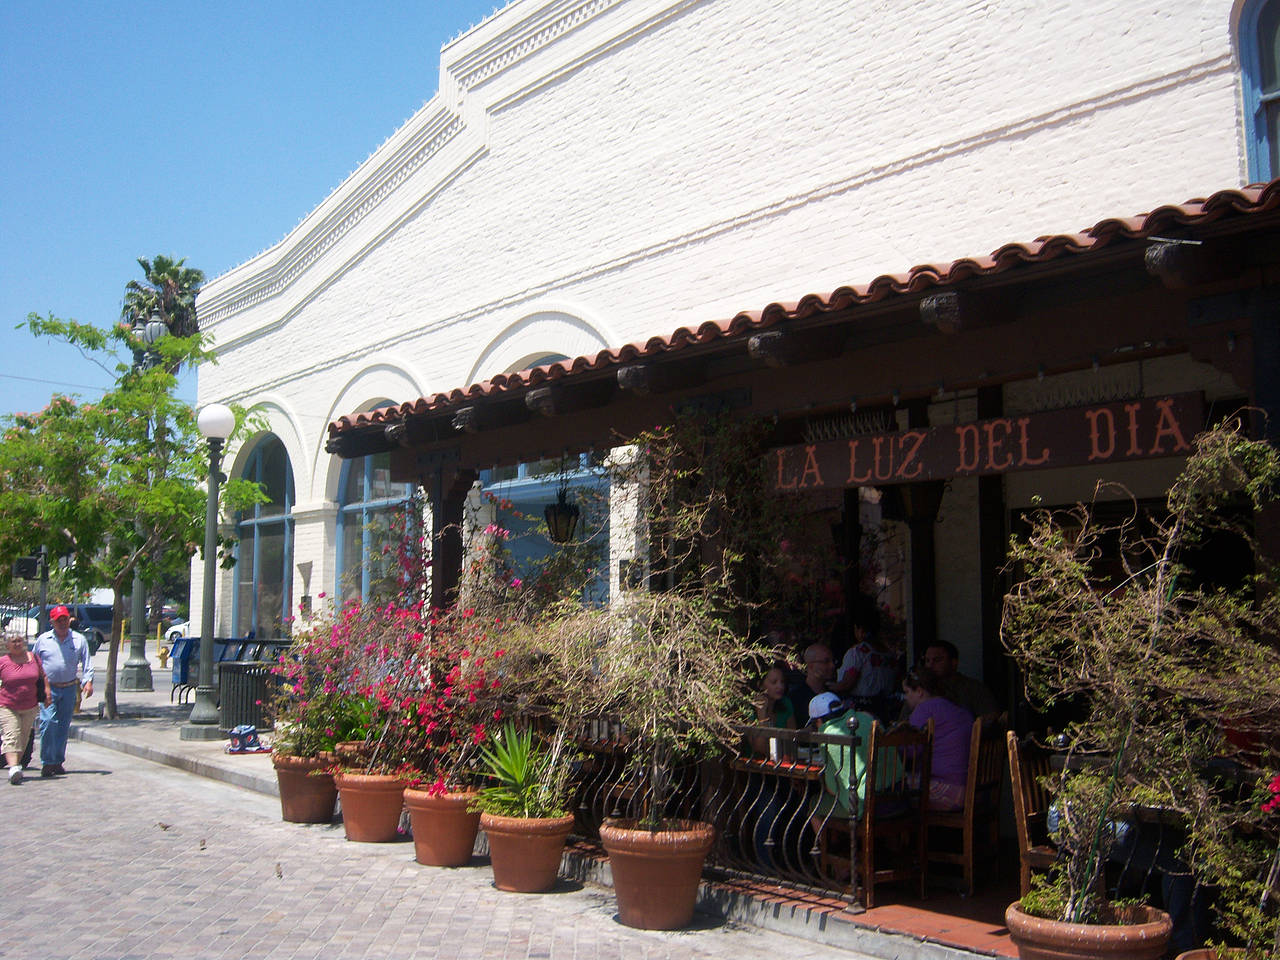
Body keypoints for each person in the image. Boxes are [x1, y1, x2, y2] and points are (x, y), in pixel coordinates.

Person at [32, 605, 93, 777]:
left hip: (69, 688)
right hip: (48, 688)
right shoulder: (43, 640)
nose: (62, 623)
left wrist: (88, 682)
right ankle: (47, 761)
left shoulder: (79, 640)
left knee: (63, 726)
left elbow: (87, 663)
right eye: (58, 620)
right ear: (52, 622)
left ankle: (57, 761)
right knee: (48, 722)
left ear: (69, 620)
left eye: (65, 619)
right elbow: (34, 662)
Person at [901, 667, 973, 811]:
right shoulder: (958, 709)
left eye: (907, 692)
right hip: (970, 790)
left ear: (920, 691)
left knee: (891, 788)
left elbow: (909, 750)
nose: (905, 697)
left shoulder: (925, 709)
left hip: (945, 790)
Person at [0, 632, 47, 784]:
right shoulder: (3, 661)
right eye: (13, 641)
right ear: (7, 645)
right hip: (8, 705)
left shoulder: (33, 658)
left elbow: (42, 676)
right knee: (11, 735)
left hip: (29, 705)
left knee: (23, 737)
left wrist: (47, 693)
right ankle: (13, 767)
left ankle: (16, 766)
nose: (17, 644)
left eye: (19, 641)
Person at [917, 640, 998, 722]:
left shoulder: (973, 689)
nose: (930, 665)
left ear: (953, 662)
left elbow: (991, 718)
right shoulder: (919, 690)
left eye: (937, 660)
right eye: (927, 661)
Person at [786, 642, 836, 721]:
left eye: (833, 661)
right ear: (811, 665)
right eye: (826, 661)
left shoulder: (834, 695)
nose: (832, 666)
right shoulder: (795, 698)